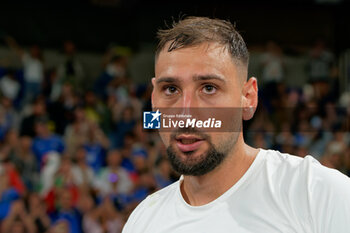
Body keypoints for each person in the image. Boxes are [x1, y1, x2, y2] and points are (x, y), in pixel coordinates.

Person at [122, 16, 350, 233]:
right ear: (154, 97)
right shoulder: (143, 221)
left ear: (248, 97)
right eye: (171, 89)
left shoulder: (315, 194)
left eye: (209, 88)